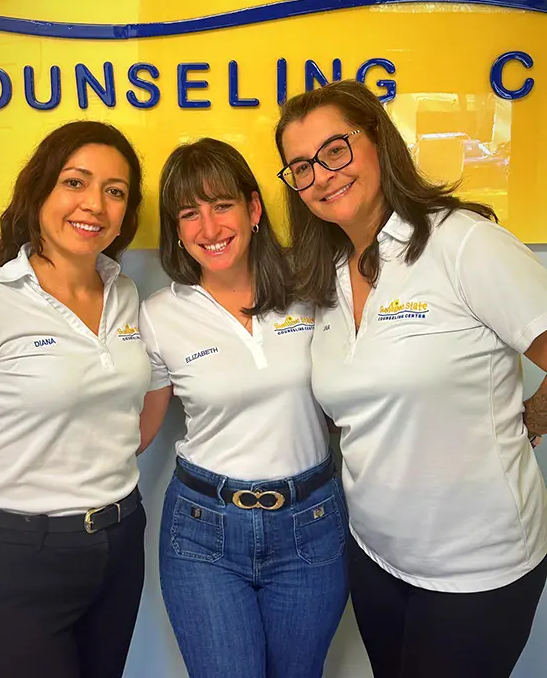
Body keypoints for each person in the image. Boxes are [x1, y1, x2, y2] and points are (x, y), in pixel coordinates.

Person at [274, 79, 547, 678]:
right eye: (300, 167)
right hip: (376, 556)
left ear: (377, 141)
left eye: (335, 150)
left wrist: (533, 417)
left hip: (478, 568)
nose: (321, 175)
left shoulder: (461, 244)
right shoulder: (327, 277)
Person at [138, 138, 349, 678]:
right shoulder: (161, 315)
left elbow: (354, 390)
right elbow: (139, 431)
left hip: (313, 521)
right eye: (190, 213)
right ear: (177, 230)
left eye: (221, 205)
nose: (209, 228)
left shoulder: (314, 289)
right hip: (204, 529)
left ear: (253, 209)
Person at [0, 121, 151, 678]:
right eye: (75, 182)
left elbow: (135, 410)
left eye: (115, 191)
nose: (95, 204)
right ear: (39, 190)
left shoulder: (125, 292)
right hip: (13, 557)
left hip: (119, 542)